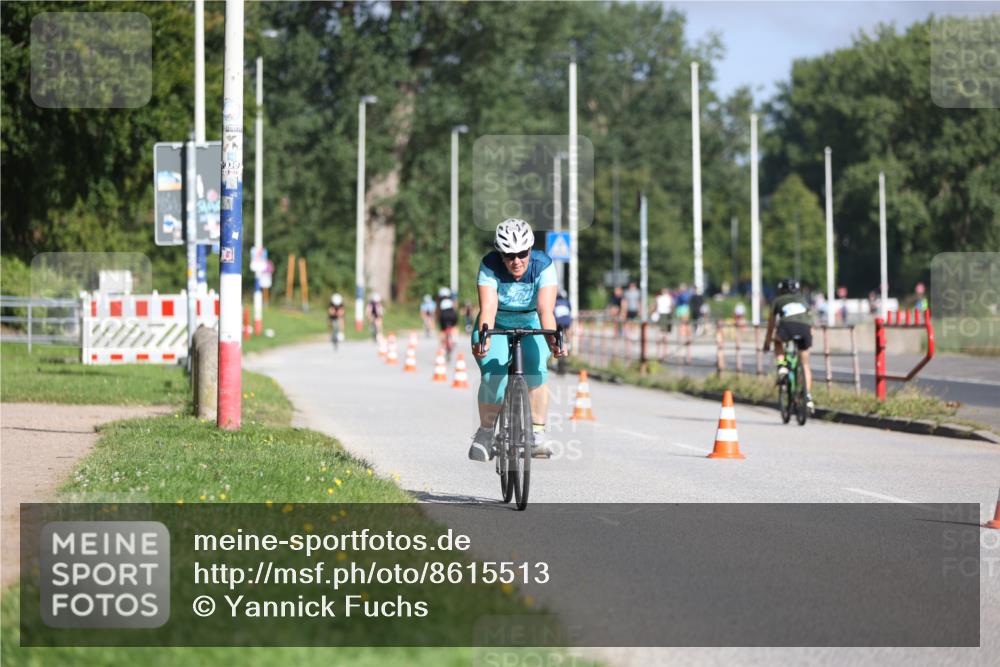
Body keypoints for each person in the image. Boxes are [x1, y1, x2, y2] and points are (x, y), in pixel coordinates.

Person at [469, 218, 566, 462]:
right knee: (494, 377)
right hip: (497, 324)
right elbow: (489, 308)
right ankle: (486, 432)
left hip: (531, 322)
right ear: (500, 254)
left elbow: (545, 309)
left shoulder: (543, 265)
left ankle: (538, 434)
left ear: (530, 250)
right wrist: (485, 337)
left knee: (538, 371)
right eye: (509, 255)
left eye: (522, 254)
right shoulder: (489, 265)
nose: (516, 261)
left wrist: (552, 339)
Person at [762, 278, 814, 412]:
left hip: (787, 327)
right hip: (805, 329)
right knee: (806, 364)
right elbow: (811, 321)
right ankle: (808, 397)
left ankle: (782, 367)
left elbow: (771, 325)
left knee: (777, 341)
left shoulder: (778, 301)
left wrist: (767, 343)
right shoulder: (803, 300)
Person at [553, 288, 573, 375]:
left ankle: (555, 342)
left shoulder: (555, 301)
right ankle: (569, 343)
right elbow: (570, 310)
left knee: (555, 332)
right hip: (567, 320)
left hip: (558, 321)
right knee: (568, 330)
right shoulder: (567, 302)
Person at [436, 287, 459, 359]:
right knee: (454, 326)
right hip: (452, 315)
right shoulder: (452, 299)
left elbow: (438, 311)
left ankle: (442, 344)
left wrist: (438, 320)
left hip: (443, 316)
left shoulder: (439, 301)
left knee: (443, 330)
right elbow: (455, 308)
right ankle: (455, 338)